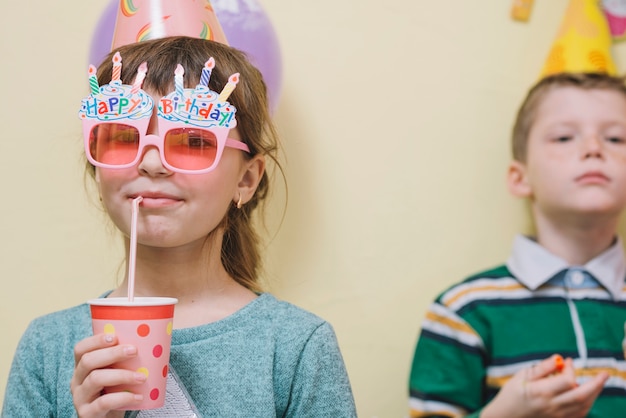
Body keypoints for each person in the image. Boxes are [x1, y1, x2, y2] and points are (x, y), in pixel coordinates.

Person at [2, 36, 356, 417]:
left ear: (246, 180)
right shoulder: (47, 347)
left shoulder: (297, 348)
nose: (152, 164)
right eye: (123, 135)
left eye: (192, 140)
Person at [408, 72, 626, 418]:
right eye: (564, 137)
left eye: (616, 138)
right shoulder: (464, 310)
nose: (594, 148)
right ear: (520, 177)